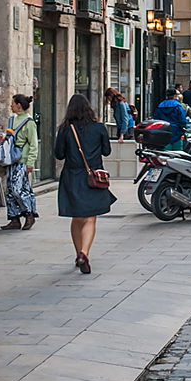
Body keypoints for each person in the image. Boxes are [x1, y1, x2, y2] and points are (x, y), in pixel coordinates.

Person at [55, 93, 116, 274]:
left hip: (72, 177)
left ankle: (78, 253)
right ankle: (84, 253)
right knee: (90, 218)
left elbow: (59, 154)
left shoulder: (65, 129)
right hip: (93, 177)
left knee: (76, 217)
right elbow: (107, 151)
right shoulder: (99, 128)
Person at [0, 93, 39, 231]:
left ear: (19, 105)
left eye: (13, 103)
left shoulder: (29, 123)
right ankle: (14, 218)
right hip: (11, 160)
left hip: (22, 159)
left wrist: (30, 162)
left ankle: (29, 214)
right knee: (10, 189)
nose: (11, 105)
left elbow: (33, 144)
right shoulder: (12, 120)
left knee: (18, 189)